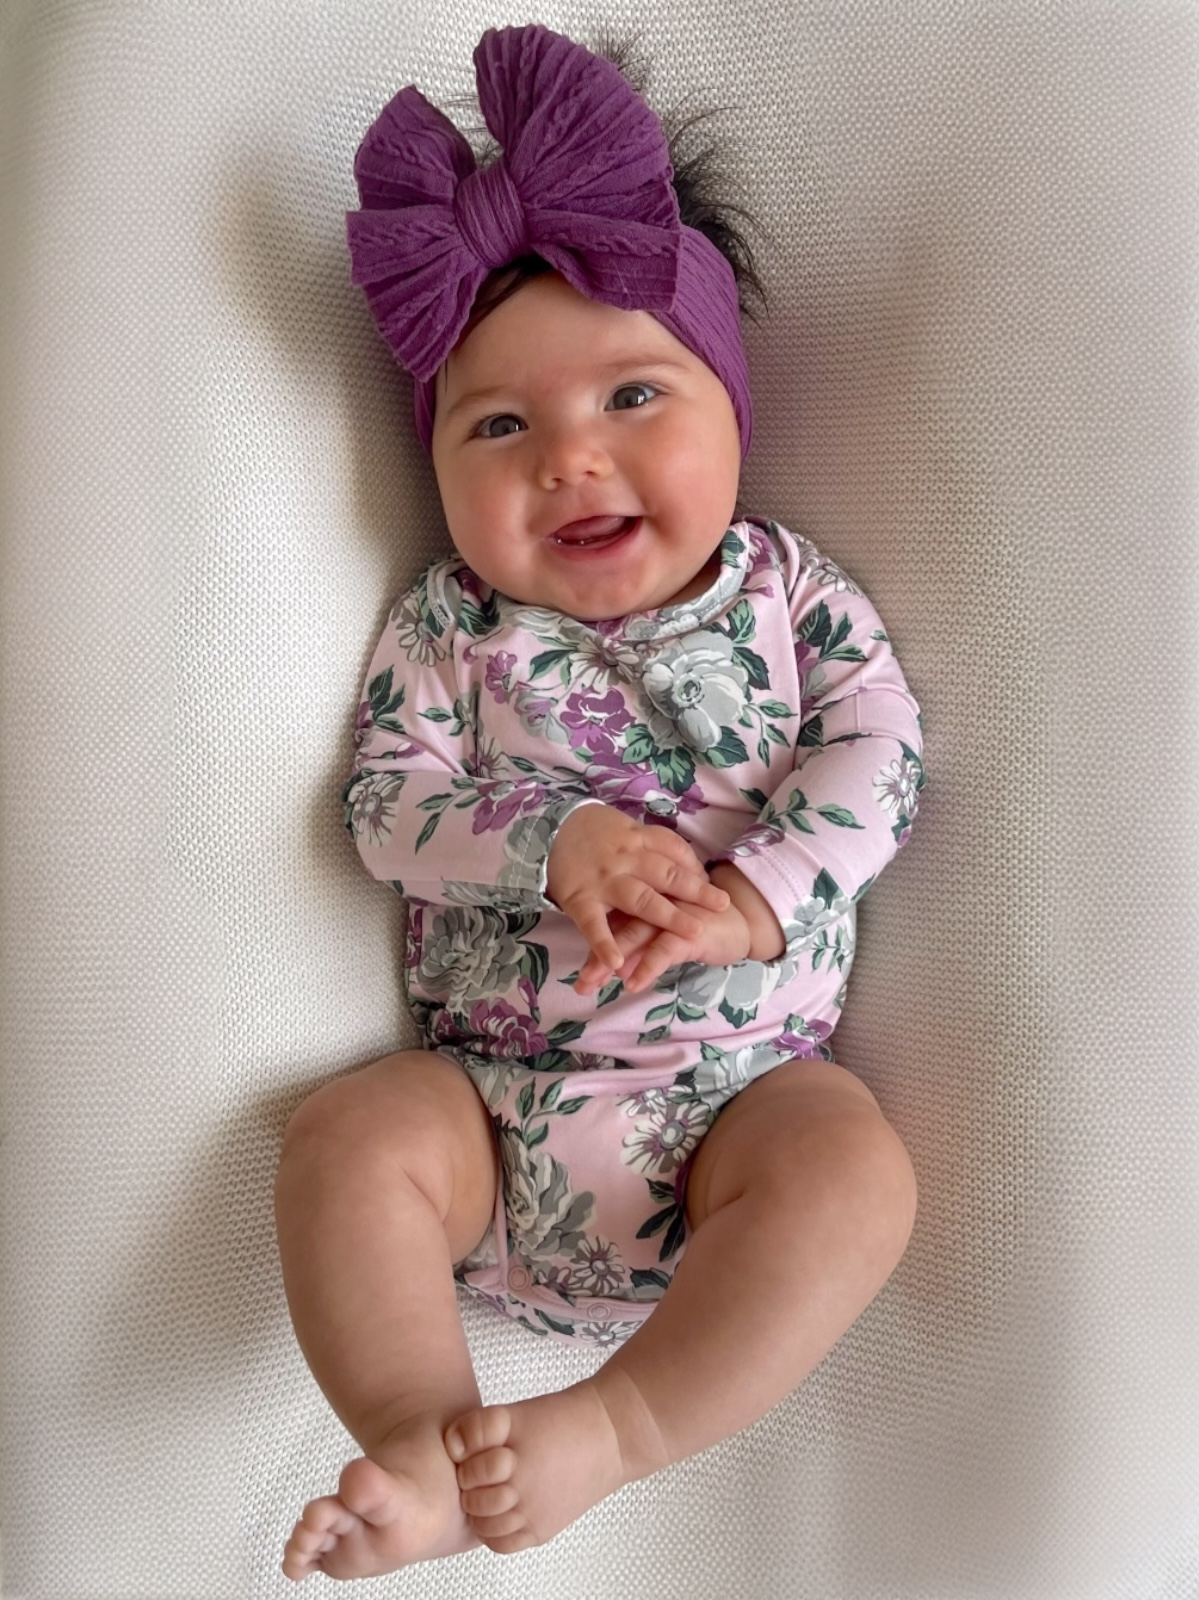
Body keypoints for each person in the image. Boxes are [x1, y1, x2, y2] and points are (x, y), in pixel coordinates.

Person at [276, 22, 925, 1581]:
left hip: (738, 1108)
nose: (571, 458)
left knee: (856, 1174)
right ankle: (426, 1444)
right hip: (483, 1117)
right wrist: (547, 839)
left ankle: (614, 1428)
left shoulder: (787, 595)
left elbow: (877, 753)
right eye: (497, 426)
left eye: (633, 396)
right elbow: (385, 805)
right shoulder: (452, 630)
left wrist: (759, 891)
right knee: (346, 1139)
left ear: (730, 410)